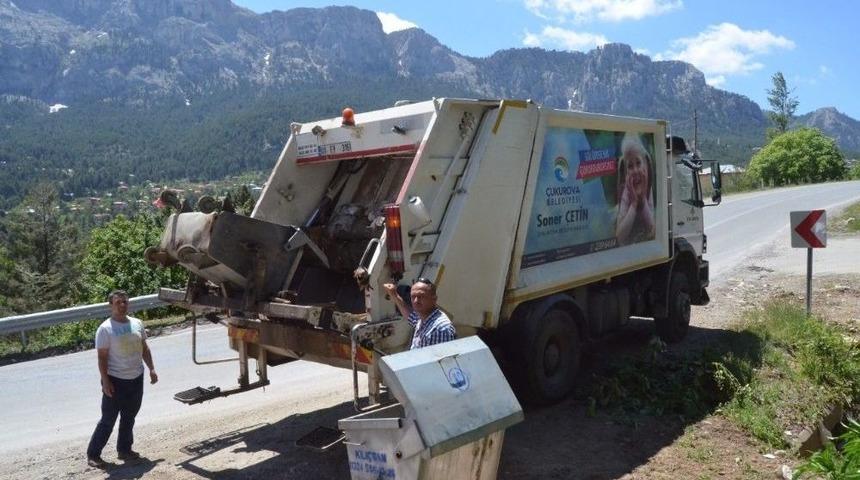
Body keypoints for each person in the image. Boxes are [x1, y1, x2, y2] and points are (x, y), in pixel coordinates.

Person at [86, 290, 158, 468]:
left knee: (129, 416)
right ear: (111, 305)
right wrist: (106, 381)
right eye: (118, 302)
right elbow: (102, 358)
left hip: (136, 378)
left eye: (125, 302)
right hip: (115, 380)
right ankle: (93, 454)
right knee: (108, 420)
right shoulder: (105, 329)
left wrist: (152, 369)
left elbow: (144, 348)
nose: (122, 305)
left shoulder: (137, 323)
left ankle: (124, 450)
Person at [383, 278, 456, 349]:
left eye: (421, 296)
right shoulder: (424, 318)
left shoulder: (440, 330)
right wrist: (394, 295)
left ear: (434, 299)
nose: (416, 301)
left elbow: (437, 360)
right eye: (413, 296)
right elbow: (411, 317)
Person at [615, 133, 656, 245]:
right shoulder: (627, 191)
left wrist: (642, 198)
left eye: (638, 163)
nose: (636, 170)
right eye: (630, 166)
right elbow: (619, 237)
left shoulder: (647, 187)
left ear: (645, 164)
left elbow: (652, 230)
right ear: (626, 172)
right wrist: (634, 204)